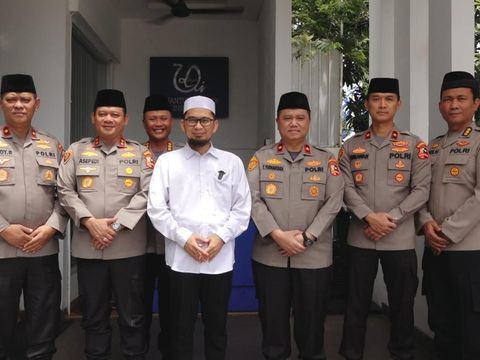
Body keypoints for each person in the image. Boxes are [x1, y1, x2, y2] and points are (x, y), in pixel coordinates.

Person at [147, 95, 251, 360]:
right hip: (182, 260)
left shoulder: (232, 163)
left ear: (215, 124)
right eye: (192, 120)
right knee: (180, 329)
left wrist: (220, 237)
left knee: (217, 328)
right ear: (183, 125)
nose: (198, 125)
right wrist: (184, 239)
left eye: (204, 120)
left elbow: (242, 210)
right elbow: (157, 209)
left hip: (220, 259)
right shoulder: (167, 163)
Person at [338, 78, 431, 360]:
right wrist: (368, 217)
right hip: (360, 237)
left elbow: (422, 189)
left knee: (402, 304)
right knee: (355, 303)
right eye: (376, 98)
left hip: (399, 238)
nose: (382, 104)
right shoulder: (351, 145)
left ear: (398, 104)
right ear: (366, 104)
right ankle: (351, 354)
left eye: (388, 99)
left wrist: (390, 219)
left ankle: (402, 353)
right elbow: (345, 187)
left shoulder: (415, 145)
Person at [247, 91, 344, 360]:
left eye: (300, 117)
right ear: (277, 122)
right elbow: (251, 199)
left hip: (313, 256)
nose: (293, 123)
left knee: (312, 325)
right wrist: (278, 235)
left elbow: (334, 202)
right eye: (287, 117)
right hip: (270, 255)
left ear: (309, 121)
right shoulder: (262, 158)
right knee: (273, 323)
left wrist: (308, 237)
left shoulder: (326, 160)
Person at [57, 89, 152, 360]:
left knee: (132, 315)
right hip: (89, 248)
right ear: (93, 118)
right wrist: (89, 222)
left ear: (125, 119)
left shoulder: (140, 153)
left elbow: (148, 193)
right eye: (102, 114)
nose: (108, 119)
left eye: (115, 114)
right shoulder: (76, 151)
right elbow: (64, 190)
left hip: (128, 250)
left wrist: (114, 226)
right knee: (93, 315)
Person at [0, 74, 67, 360]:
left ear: (36, 104)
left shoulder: (52, 145)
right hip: (2, 252)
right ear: (1, 103)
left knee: (44, 320)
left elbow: (66, 195)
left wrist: (51, 228)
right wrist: (3, 229)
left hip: (43, 250)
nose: (18, 105)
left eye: (25, 99)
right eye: (11, 99)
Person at [417, 71, 480, 360]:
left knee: (470, 325)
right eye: (447, 99)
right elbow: (420, 192)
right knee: (439, 321)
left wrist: (447, 231)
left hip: (469, 252)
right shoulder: (433, 147)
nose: (453, 105)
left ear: (476, 103)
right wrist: (426, 221)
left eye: (460, 99)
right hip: (436, 250)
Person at [142, 94, 177, 358]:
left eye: (163, 118)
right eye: (152, 118)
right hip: (138, 244)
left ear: (171, 122)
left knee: (173, 307)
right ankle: (138, 350)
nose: (158, 123)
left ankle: (169, 351)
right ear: (144, 122)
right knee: (137, 306)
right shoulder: (132, 153)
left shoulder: (184, 155)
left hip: (173, 247)